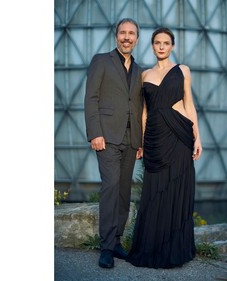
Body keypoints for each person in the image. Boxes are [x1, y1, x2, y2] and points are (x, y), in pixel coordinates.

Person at [125, 27, 203, 269]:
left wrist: (197, 137)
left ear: (172, 46)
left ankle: (174, 248)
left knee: (177, 187)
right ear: (152, 45)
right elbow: (145, 113)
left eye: (166, 43)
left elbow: (189, 105)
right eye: (157, 42)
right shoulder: (144, 75)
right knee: (155, 191)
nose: (161, 46)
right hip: (156, 137)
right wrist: (141, 141)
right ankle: (152, 246)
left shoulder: (183, 71)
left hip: (179, 134)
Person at [84, 18, 143, 269]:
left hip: (131, 140)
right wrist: (95, 132)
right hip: (107, 136)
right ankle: (106, 247)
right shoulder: (101, 60)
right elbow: (91, 98)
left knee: (123, 191)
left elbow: (139, 107)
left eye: (131, 34)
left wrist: (140, 141)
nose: (126, 37)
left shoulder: (141, 71)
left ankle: (117, 241)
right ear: (116, 36)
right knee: (111, 187)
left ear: (136, 39)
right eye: (123, 33)